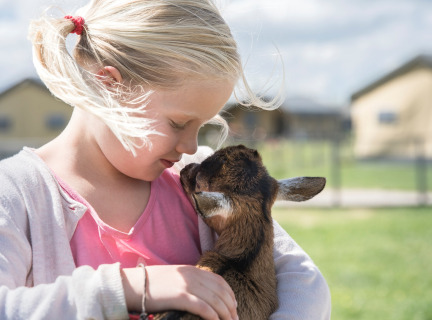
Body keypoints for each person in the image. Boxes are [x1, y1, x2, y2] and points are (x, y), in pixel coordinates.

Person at [0, 0, 331, 319]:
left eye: (200, 127)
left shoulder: (199, 179)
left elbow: (304, 283)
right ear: (109, 86)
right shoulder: (16, 194)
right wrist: (128, 288)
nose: (189, 147)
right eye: (177, 123)